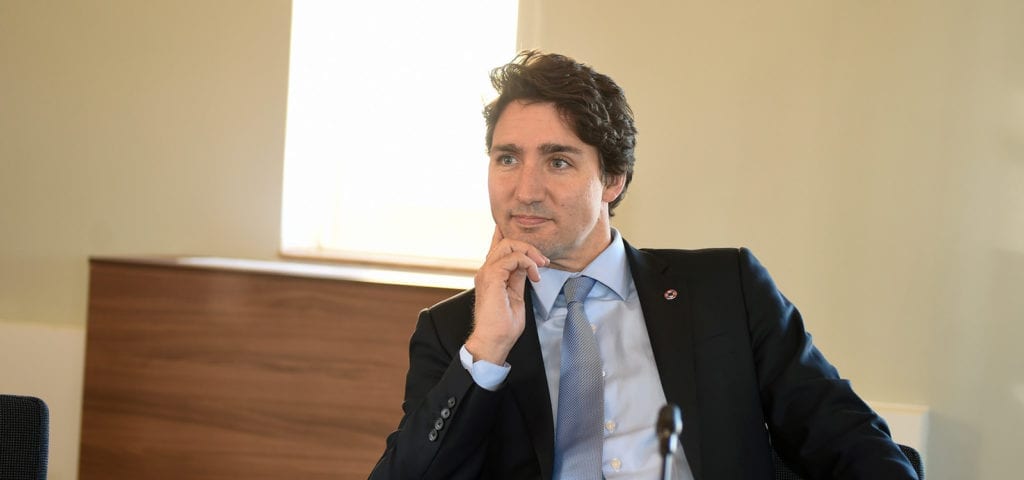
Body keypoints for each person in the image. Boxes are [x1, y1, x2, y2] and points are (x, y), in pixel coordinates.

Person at [369, 51, 918, 480]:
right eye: (507, 158)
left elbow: (841, 432)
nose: (525, 189)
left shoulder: (725, 289)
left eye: (558, 160)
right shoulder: (453, 333)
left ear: (613, 180)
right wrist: (487, 352)